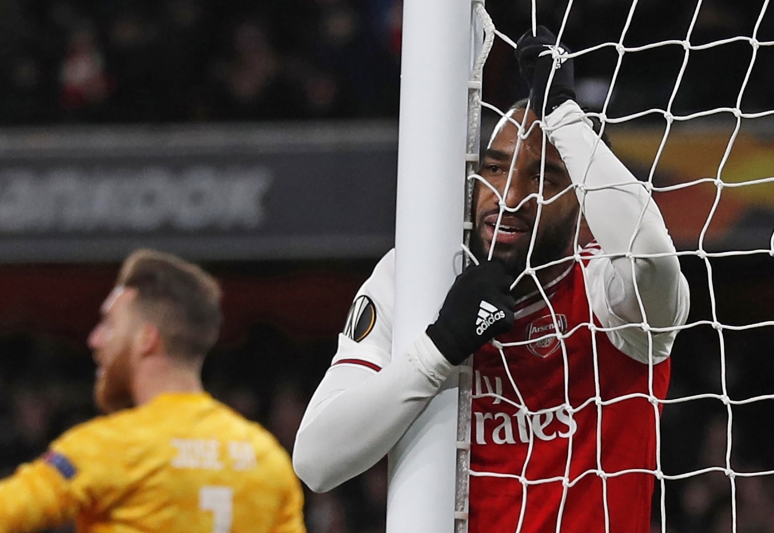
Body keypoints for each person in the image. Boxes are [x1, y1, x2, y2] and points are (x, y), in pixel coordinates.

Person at [293, 26, 690, 533]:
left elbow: (651, 255)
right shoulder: (412, 278)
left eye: (543, 177)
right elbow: (316, 461)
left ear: (585, 207)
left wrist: (563, 115)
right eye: (496, 170)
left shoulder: (613, 296)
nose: (508, 196)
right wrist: (440, 348)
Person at [0, 249, 306, 533]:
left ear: (147, 339)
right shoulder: (266, 459)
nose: (94, 339)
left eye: (108, 324)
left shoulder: (111, 447)